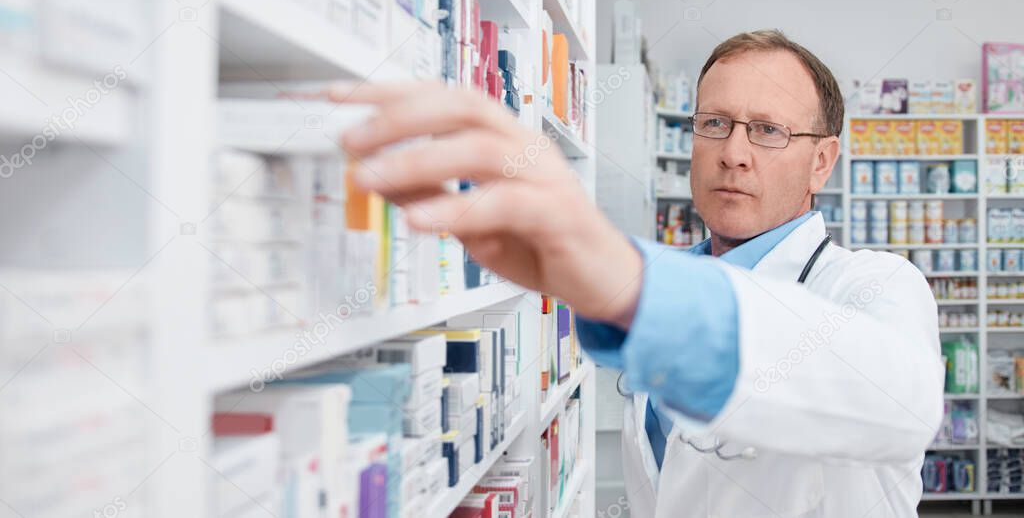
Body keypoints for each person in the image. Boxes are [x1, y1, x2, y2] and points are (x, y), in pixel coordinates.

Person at [334, 29, 944, 517]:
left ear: (821, 161)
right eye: (715, 123)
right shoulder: (665, 290)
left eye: (768, 131)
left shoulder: (876, 287)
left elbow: (905, 403)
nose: (734, 151)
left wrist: (625, 275)